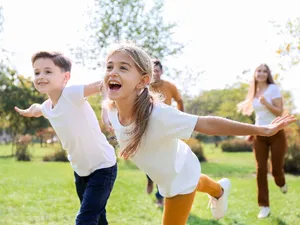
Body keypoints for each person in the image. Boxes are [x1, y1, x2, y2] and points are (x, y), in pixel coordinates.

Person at [102, 42, 296, 225]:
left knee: (190, 179)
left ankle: (218, 190)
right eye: (109, 67)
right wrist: (104, 109)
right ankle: (219, 190)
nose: (113, 73)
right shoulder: (112, 108)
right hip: (177, 163)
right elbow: (101, 86)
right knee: (196, 179)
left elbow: (208, 124)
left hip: (178, 179)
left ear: (143, 81)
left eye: (123, 68)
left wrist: (262, 129)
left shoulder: (160, 115)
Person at [14, 51, 117, 225]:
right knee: (97, 218)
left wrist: (105, 111)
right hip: (80, 171)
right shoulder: (47, 106)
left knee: (84, 219)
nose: (41, 76)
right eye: (37, 72)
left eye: (48, 71)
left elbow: (104, 84)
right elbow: (37, 109)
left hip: (103, 167)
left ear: (65, 77)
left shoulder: (72, 94)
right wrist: (28, 111)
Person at [237, 64, 288, 219]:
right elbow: (256, 115)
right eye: (259, 71)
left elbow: (279, 111)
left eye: (264, 71)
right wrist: (251, 132)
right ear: (255, 74)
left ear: (268, 74)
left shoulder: (273, 89)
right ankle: (264, 206)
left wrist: (266, 103)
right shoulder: (253, 91)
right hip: (260, 134)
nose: (261, 73)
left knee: (276, 169)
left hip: (276, 132)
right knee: (260, 169)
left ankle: (281, 182)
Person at [145, 59, 184, 207]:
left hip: (165, 127)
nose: (155, 72)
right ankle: (149, 178)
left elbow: (180, 101)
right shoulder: (144, 86)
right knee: (149, 159)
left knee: (164, 160)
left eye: (157, 70)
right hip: (148, 127)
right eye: (152, 70)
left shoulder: (170, 86)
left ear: (161, 71)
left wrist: (181, 118)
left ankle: (160, 196)